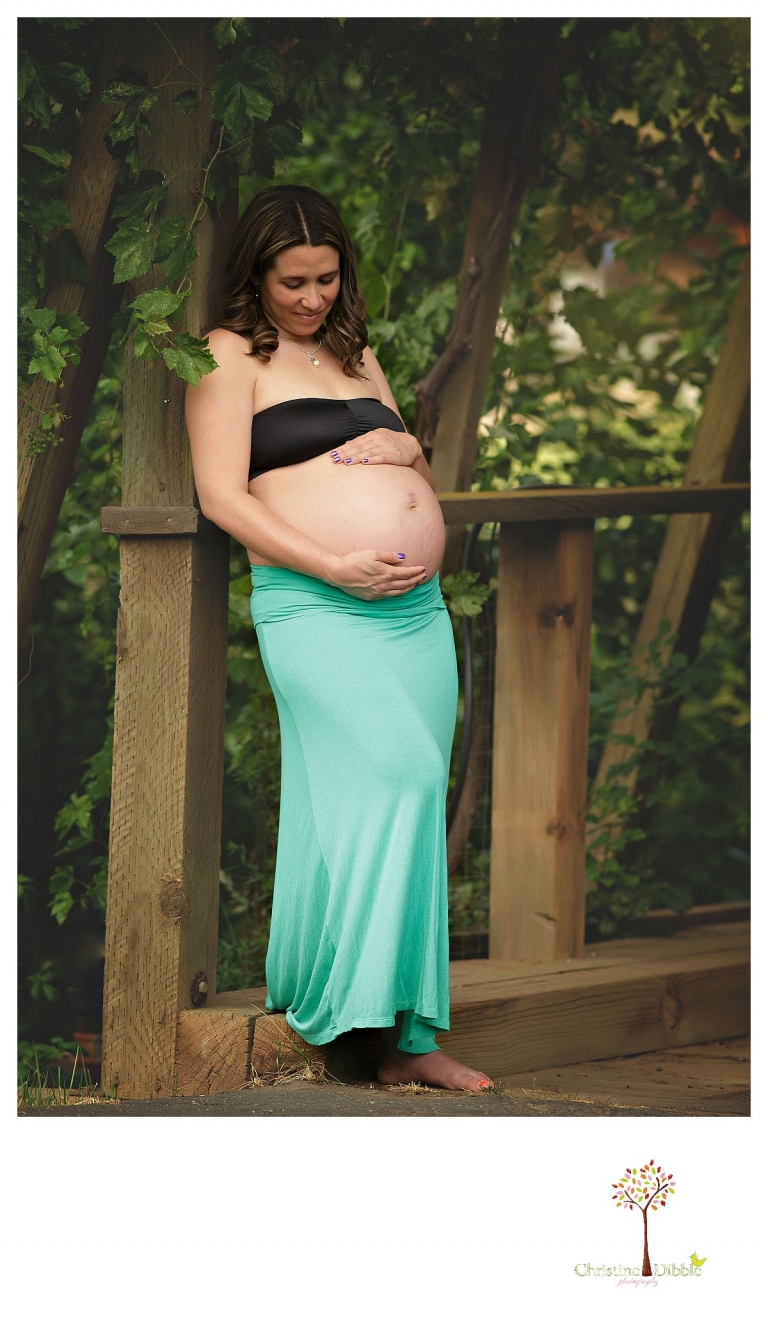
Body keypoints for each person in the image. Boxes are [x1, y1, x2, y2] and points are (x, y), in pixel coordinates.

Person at [185, 183, 493, 1091]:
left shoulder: (358, 354)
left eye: (326, 278)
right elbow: (222, 497)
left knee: (399, 795)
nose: (313, 298)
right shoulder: (229, 356)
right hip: (315, 606)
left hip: (411, 616)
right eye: (294, 282)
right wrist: (332, 565)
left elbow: (410, 460)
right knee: (394, 775)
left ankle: (410, 1032)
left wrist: (406, 457)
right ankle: (358, 1024)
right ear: (257, 276)